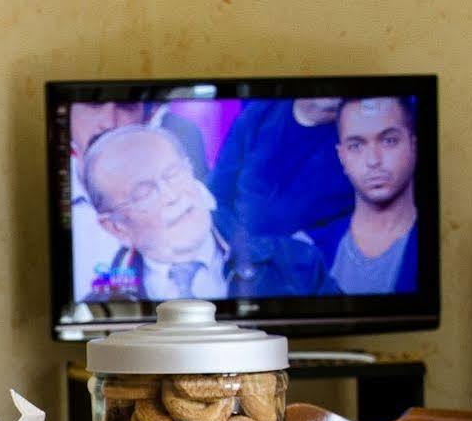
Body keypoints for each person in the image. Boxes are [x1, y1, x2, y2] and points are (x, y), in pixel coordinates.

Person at [79, 124, 338, 302]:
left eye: (172, 174)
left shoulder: (297, 265)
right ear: (116, 227)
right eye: (143, 193)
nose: (172, 195)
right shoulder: (98, 310)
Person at [305, 96, 421, 295]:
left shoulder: (439, 245)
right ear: (342, 157)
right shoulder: (307, 250)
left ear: (413, 146)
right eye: (356, 146)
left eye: (389, 141)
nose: (373, 160)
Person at [206, 98, 353, 241]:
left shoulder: (358, 128)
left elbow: (370, 213)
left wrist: (309, 244)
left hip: (312, 258)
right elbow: (219, 194)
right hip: (241, 254)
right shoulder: (261, 112)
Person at [67, 102, 146, 301]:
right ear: (67, 115)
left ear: (147, 117)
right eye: (94, 105)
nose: (109, 123)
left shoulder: (182, 200)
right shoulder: (42, 203)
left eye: (126, 107)